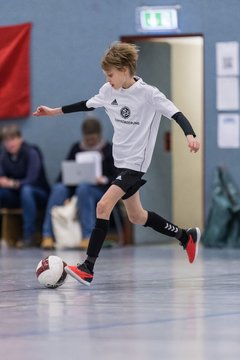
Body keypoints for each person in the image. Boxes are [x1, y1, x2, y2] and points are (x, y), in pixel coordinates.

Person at [33, 42, 201, 286]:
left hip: (136, 163)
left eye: (110, 74)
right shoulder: (108, 90)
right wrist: (52, 112)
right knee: (137, 216)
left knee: (103, 206)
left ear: (125, 69)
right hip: (120, 162)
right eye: (105, 75)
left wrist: (190, 134)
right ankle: (185, 236)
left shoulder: (149, 94)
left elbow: (176, 113)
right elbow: (85, 105)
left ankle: (87, 267)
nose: (108, 79)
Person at [41, 117, 116, 249]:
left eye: (93, 139)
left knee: (84, 188)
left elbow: (115, 177)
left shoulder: (108, 149)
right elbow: (63, 175)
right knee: (59, 188)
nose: (90, 142)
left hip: (100, 191)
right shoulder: (76, 148)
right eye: (87, 139)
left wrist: (103, 179)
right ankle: (47, 234)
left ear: (99, 136)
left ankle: (87, 236)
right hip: (75, 189)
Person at [0, 125, 49, 247]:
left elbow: (32, 179)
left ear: (20, 139)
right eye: (7, 140)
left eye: (13, 139)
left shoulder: (31, 152)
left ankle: (29, 235)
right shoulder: (4, 156)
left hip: (39, 193)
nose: (10, 143)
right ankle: (4, 237)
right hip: (16, 194)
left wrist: (13, 183)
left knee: (26, 190)